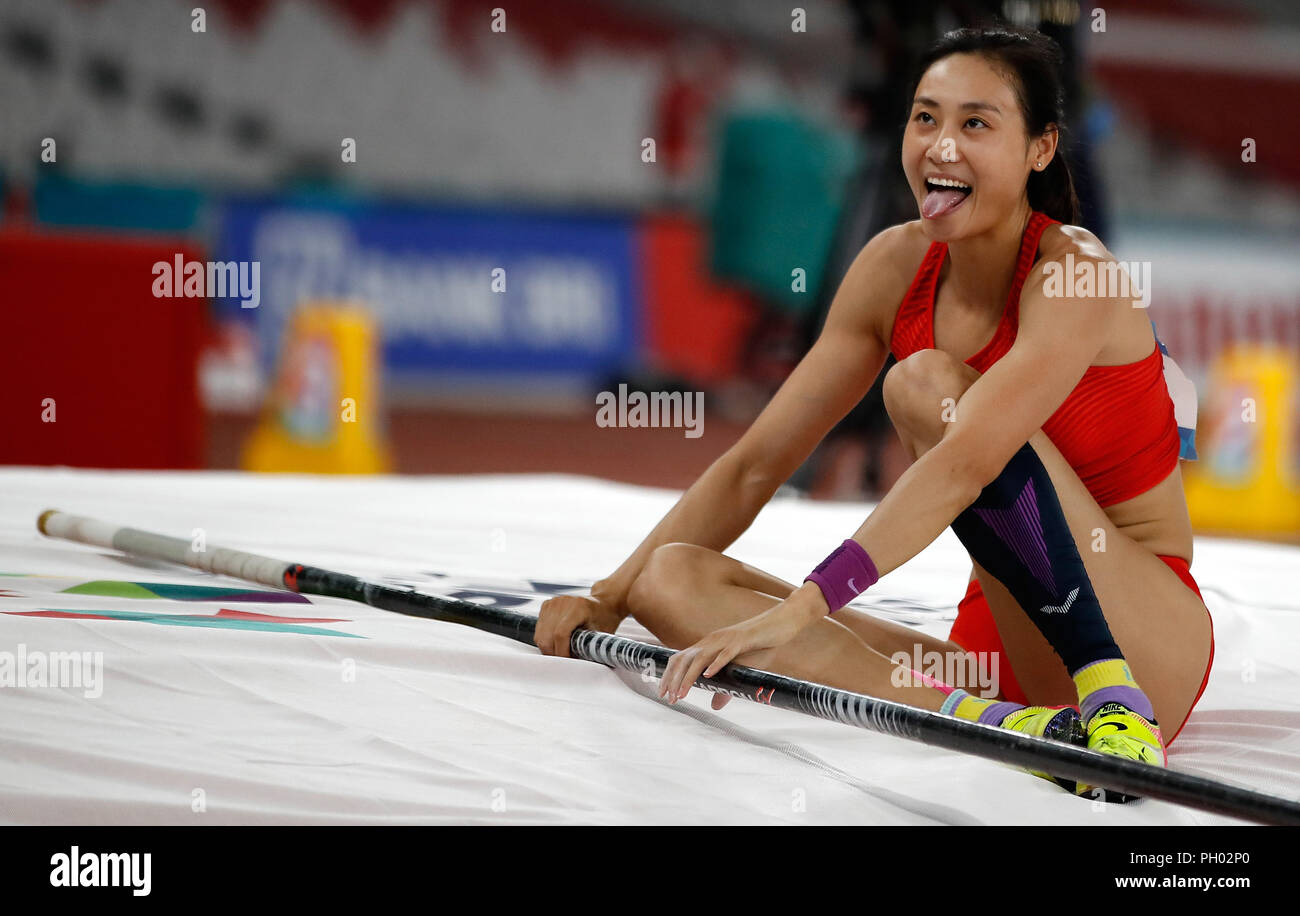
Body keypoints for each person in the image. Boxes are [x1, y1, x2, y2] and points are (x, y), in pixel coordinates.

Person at [535, 25, 1213, 802]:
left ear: (1041, 149)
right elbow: (758, 463)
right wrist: (607, 596)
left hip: (1139, 640)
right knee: (670, 580)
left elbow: (968, 460)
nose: (941, 147)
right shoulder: (894, 266)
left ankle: (1106, 698)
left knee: (922, 385)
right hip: (1004, 643)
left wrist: (805, 606)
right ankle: (997, 725)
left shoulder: (1077, 276)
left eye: (976, 124)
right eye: (925, 118)